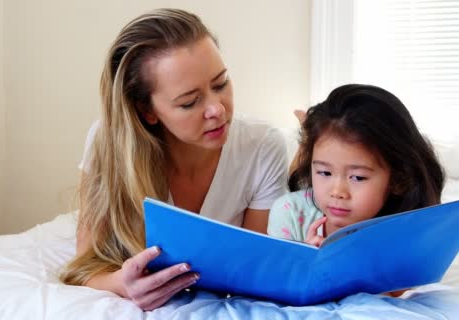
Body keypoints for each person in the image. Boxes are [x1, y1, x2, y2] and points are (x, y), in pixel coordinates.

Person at [59, 8, 288, 310]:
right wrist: (121, 284)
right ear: (147, 111)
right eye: (190, 102)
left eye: (220, 84)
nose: (217, 109)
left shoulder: (262, 147)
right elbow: (83, 268)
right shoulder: (107, 143)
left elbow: (253, 269)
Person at [268, 84, 445, 249]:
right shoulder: (289, 214)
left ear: (398, 180)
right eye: (324, 172)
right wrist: (308, 265)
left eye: (358, 177)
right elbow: (276, 279)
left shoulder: (411, 230)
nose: (337, 192)